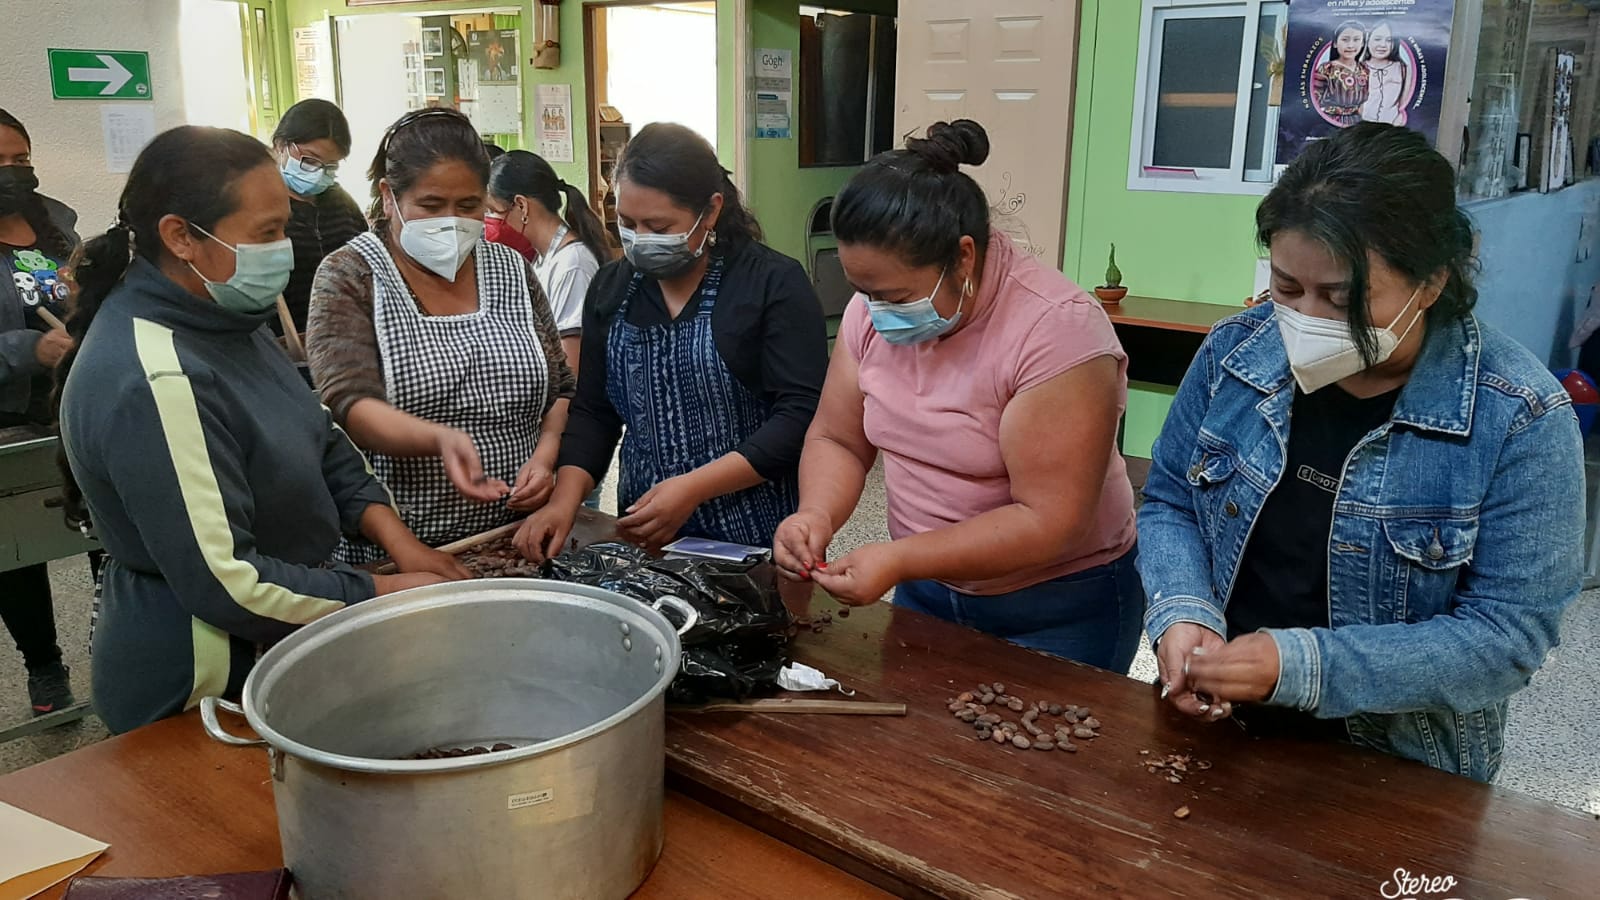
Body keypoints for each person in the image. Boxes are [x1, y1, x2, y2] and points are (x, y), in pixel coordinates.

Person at [1139, 123, 1584, 782]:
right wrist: (1184, 612)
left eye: (1343, 300)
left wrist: (1301, 667)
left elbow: (1506, 638)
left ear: (1431, 282)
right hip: (1217, 730)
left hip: (1397, 767)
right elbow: (1171, 500)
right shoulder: (1237, 352)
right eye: (1287, 287)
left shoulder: (1519, 416)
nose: (1307, 319)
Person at [55, 125, 466, 734]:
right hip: (205, 679)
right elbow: (230, 583)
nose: (285, 249)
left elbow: (320, 437)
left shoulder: (225, 315)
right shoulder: (158, 377)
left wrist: (397, 538)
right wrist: (382, 594)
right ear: (182, 237)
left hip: (279, 643)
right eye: (267, 233)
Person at [771, 120, 1143, 672]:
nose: (874, 310)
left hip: (1057, 605)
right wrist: (815, 515)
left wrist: (897, 560)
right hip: (928, 588)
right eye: (861, 292)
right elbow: (838, 438)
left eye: (892, 294)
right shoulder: (870, 314)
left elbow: (1049, 519)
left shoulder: (1056, 331)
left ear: (963, 257)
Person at [515, 123, 826, 560]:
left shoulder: (771, 284)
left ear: (711, 210)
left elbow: (798, 416)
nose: (641, 239)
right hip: (646, 531)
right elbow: (594, 412)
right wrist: (564, 502)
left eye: (658, 226)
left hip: (756, 536)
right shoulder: (611, 288)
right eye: (627, 224)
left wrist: (693, 488)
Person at [308, 109, 574, 564]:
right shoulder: (351, 274)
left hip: (515, 536)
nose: (451, 221)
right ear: (389, 197)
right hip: (402, 551)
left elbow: (561, 388)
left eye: (469, 206)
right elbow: (348, 404)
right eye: (431, 206)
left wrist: (546, 456)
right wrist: (438, 439)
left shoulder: (510, 269)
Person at [0, 109, 78, 715]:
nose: (13, 172)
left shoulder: (57, 225)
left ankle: (116, 635)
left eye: (20, 159)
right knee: (17, 552)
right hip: (9, 422)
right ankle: (44, 668)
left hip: (72, 407)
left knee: (107, 527)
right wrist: (28, 349)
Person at [271, 99, 367, 337]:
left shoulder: (342, 204)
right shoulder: (262, 204)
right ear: (281, 145)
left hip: (347, 336)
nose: (318, 174)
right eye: (310, 160)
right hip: (286, 341)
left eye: (329, 166)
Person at [1312, 21, 1369, 128]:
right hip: (1330, 122)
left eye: (1356, 40)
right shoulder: (1326, 69)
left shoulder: (1365, 69)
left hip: (1358, 124)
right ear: (1335, 43)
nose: (1350, 45)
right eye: (1345, 40)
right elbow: (1314, 102)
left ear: (1362, 43)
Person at [1360, 22, 1409, 126]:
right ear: (1368, 41)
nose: (1382, 45)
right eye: (1377, 39)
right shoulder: (1357, 68)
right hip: (1362, 130)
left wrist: (1398, 122)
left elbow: (1405, 102)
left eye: (1389, 40)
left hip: (1392, 130)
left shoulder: (1402, 68)